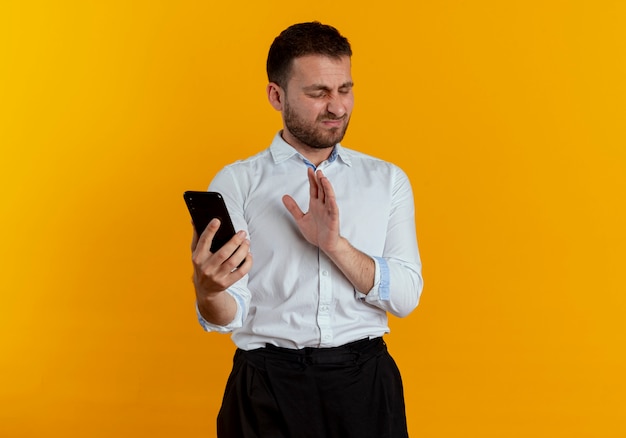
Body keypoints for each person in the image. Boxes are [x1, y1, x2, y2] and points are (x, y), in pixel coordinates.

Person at [190, 21, 424, 438]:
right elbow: (229, 314)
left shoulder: (387, 181)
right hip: (265, 389)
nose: (337, 107)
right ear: (276, 95)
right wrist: (209, 292)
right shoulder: (237, 183)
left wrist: (334, 245)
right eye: (318, 93)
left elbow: (406, 297)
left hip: (365, 386)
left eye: (345, 90)